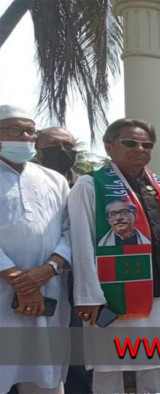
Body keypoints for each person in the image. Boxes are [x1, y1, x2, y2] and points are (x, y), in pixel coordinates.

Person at [68, 118, 160, 394]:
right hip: (113, 292)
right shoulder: (90, 185)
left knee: (153, 363)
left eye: (147, 145)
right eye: (130, 143)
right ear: (109, 146)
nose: (140, 149)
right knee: (109, 366)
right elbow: (81, 241)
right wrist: (88, 295)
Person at [0, 105, 71, 394]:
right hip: (7, 290)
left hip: (48, 289)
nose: (26, 136)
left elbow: (72, 230)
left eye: (31, 130)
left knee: (45, 377)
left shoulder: (54, 179)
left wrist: (49, 269)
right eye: (16, 130)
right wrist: (18, 279)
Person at [34, 126, 92, 394]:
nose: (63, 153)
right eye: (54, 147)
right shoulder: (28, 185)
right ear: (38, 151)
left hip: (78, 282)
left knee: (79, 350)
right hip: (35, 280)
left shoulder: (87, 185)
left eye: (69, 148)